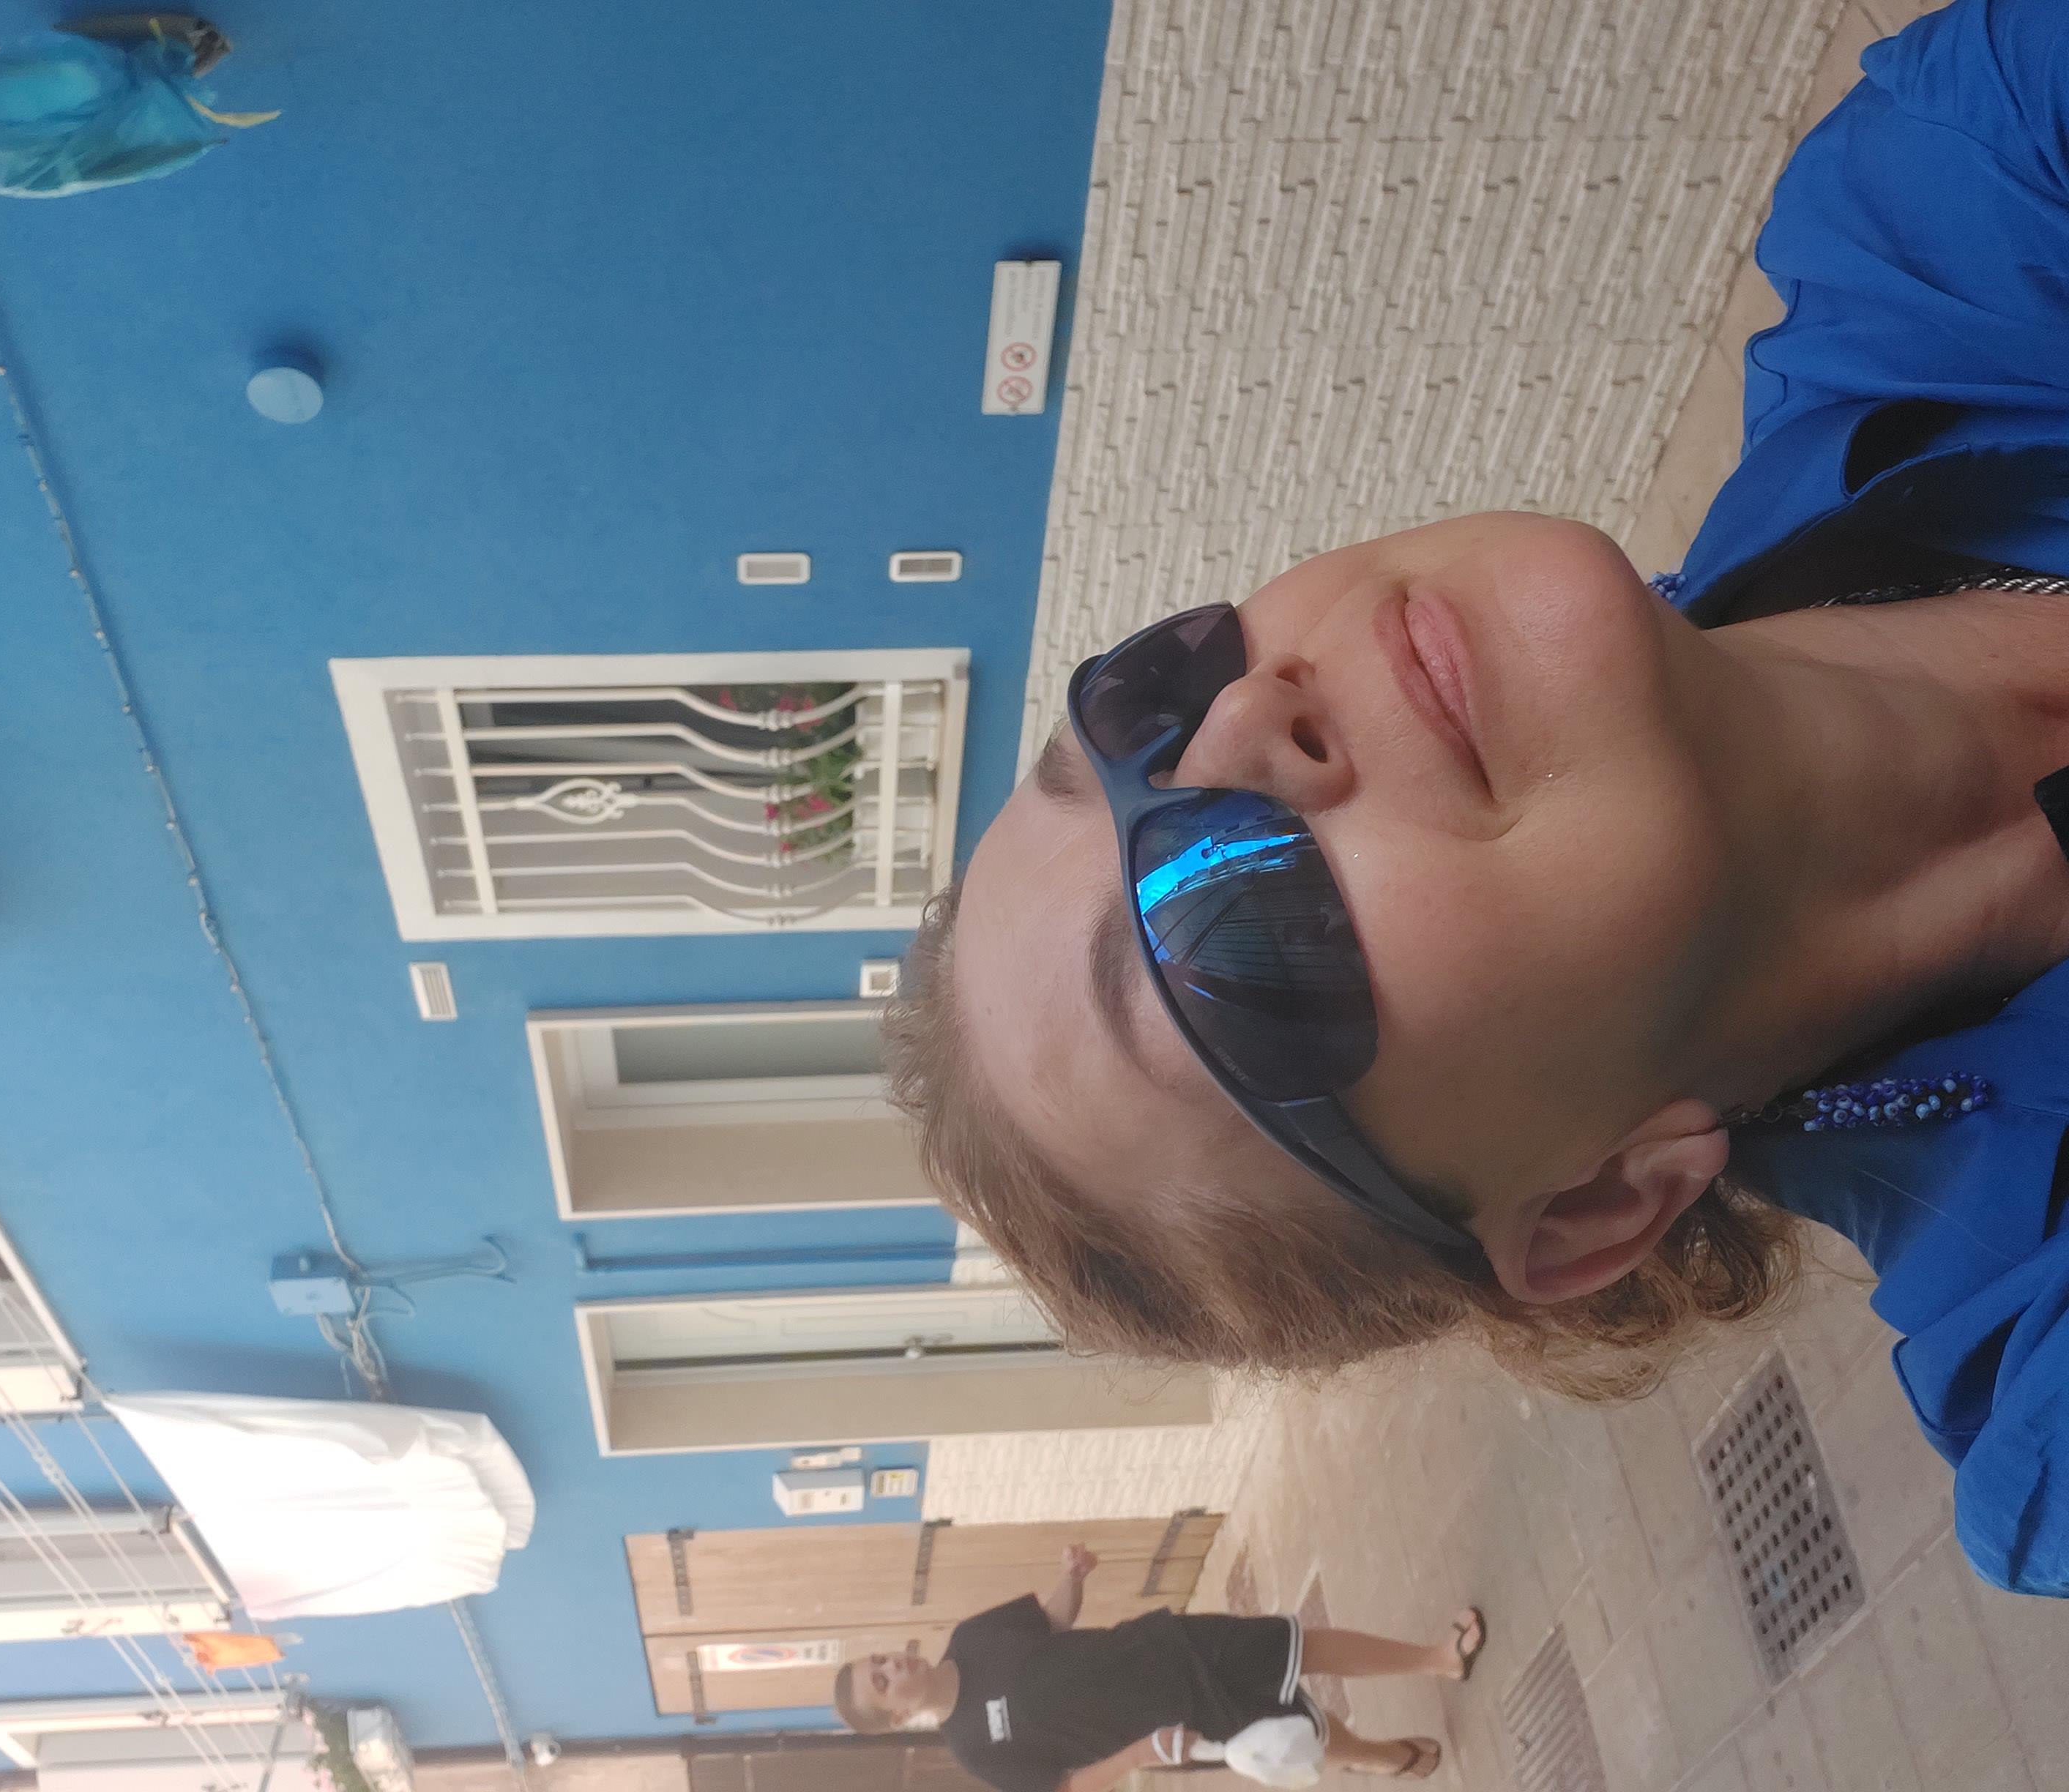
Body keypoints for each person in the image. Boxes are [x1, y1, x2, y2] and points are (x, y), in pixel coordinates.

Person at [885, 0, 2069, 1599]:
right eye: (1222, 932)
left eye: (1140, 703)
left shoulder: (1962, 193)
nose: (1243, 715)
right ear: (1588, 1206)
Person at [832, 1545, 1483, 1785]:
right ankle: (1381, 1758)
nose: (892, 1667)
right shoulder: (974, 1748)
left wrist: (1072, 1577)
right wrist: (1141, 1756)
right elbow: (1066, 1787)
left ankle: (1438, 1660)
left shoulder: (970, 1638)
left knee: (1298, 1648)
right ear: (898, 1717)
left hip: (1161, 1645)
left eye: (879, 1660)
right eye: (881, 1682)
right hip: (1172, 1725)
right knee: (1296, 1727)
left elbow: (1052, 1621)